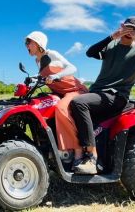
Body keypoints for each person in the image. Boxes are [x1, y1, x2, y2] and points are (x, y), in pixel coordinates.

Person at [70, 17, 135, 174]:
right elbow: (90, 52)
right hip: (98, 92)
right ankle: (73, 153)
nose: (130, 32)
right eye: (128, 28)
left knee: (79, 103)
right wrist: (112, 36)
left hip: (117, 96)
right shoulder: (111, 45)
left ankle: (92, 158)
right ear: (122, 26)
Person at [25, 31, 88, 168]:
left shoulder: (51, 54)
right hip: (60, 92)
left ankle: (78, 151)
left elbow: (72, 68)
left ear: (37, 43)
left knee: (61, 108)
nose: (26, 46)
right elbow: (43, 75)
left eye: (28, 43)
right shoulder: (38, 60)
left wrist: (57, 75)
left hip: (74, 90)